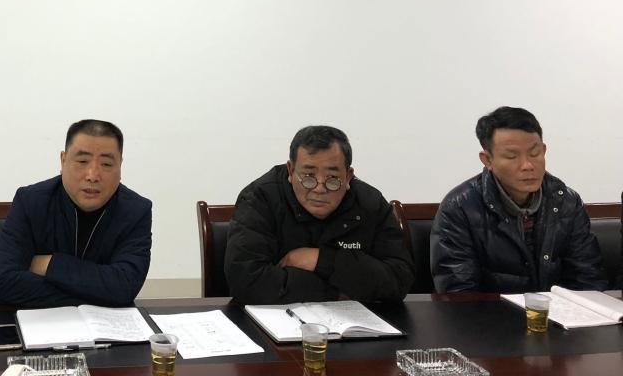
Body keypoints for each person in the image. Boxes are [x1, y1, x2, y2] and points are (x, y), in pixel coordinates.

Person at [225, 125, 413, 304]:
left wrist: (321, 260)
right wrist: (340, 290)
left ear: (348, 176)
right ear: (290, 170)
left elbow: (399, 279)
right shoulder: (260, 198)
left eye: (333, 178)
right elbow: (245, 281)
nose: (320, 188)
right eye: (308, 177)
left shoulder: (369, 203)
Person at [431, 106, 605, 293]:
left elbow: (588, 279)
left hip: (557, 310)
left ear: (544, 150)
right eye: (512, 156)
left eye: (534, 153)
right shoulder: (459, 208)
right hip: (490, 312)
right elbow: (459, 293)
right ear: (487, 160)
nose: (527, 165)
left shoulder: (566, 201)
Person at [0, 119, 152, 307]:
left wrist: (50, 265)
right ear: (63, 160)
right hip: (38, 322)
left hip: (103, 325)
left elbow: (124, 287)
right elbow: (4, 285)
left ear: (120, 166)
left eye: (107, 164)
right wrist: (102, 292)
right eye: (82, 161)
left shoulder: (136, 211)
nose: (92, 175)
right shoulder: (30, 201)